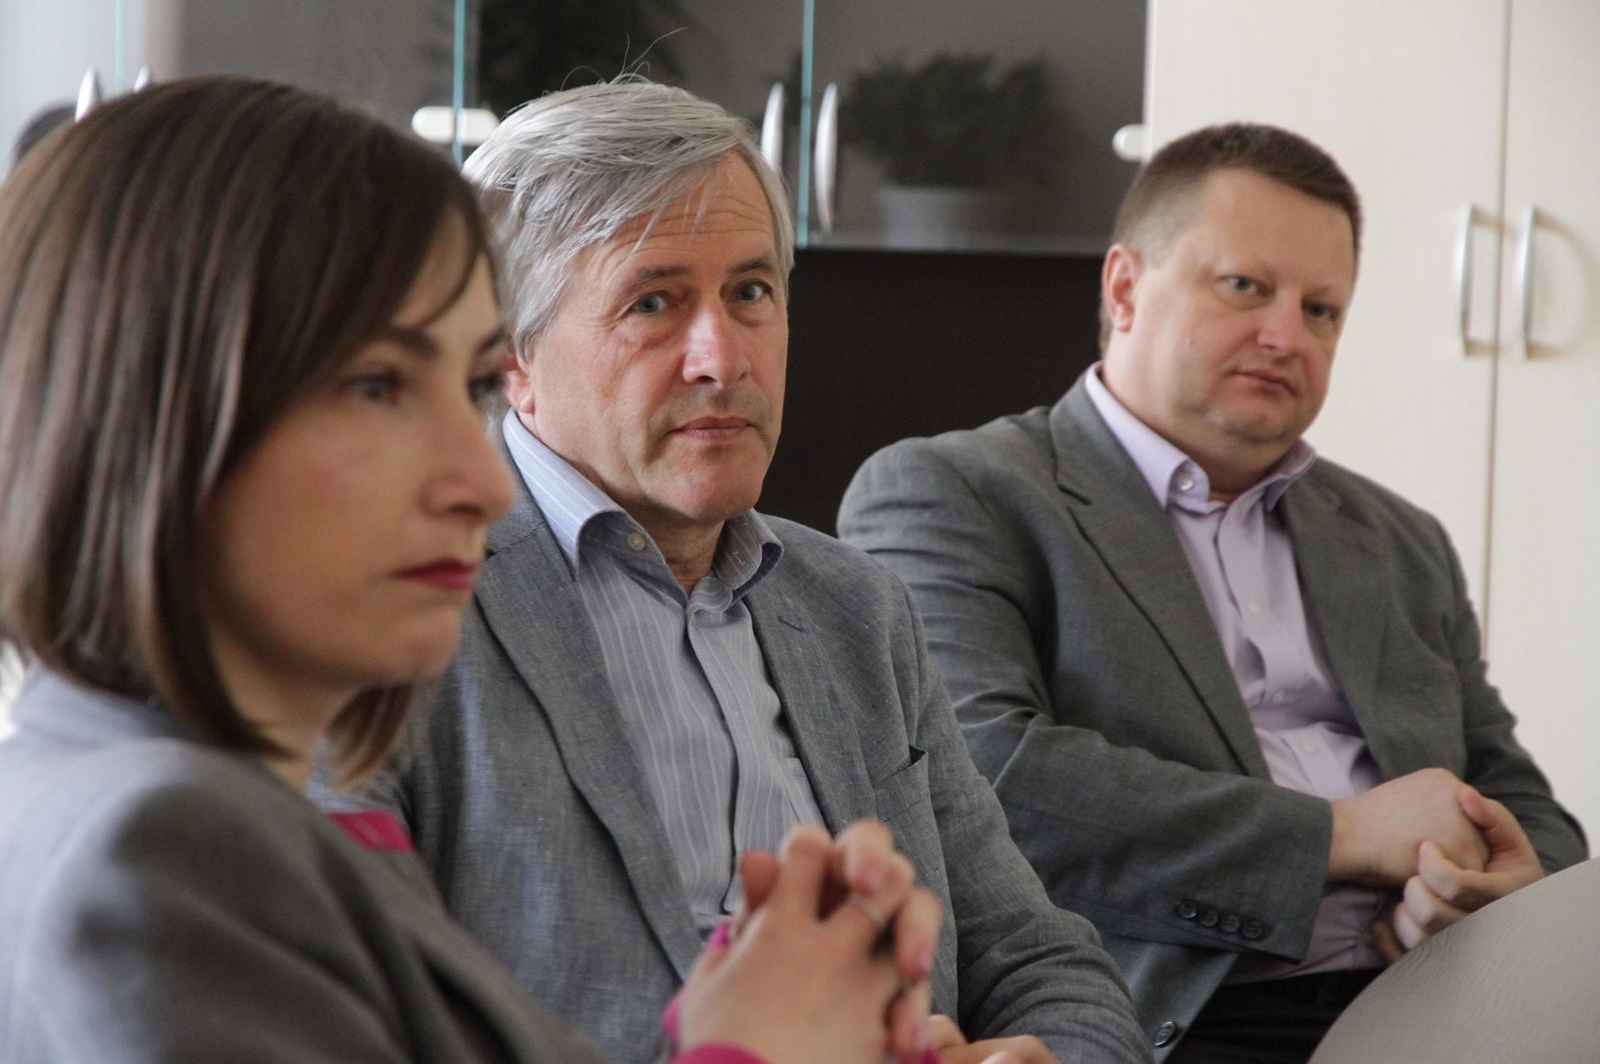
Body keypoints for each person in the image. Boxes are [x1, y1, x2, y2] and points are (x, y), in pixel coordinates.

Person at [0, 75, 948, 1064]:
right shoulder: (160, 852)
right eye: (378, 386)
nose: (483, 484)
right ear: (153, 416)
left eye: (468, 384)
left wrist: (742, 1022)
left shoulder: (232, 821)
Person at [317, 80, 1151, 1064]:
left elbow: (1041, 956)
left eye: (751, 293)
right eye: (653, 303)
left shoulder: (855, 607)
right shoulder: (397, 610)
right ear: (512, 358)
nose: (722, 357)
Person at [837, 122, 1588, 1063]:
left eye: (1322, 310)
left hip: (1443, 1003)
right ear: (1124, 288)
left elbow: (1515, 789)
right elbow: (986, 779)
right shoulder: (955, 493)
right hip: (1183, 1021)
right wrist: (1340, 836)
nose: (1286, 336)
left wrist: (1503, 894)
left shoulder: (1400, 540)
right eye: (1245, 287)